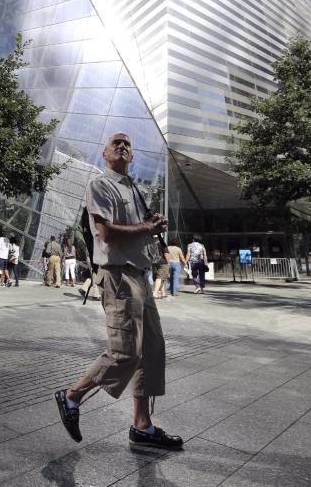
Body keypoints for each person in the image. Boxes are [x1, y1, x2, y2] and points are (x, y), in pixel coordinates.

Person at [54, 133, 182, 450]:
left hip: (139, 274)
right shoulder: (101, 185)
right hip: (118, 275)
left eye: (128, 144)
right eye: (116, 143)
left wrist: (154, 224)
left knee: (152, 349)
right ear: (105, 154)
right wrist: (146, 228)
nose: (123, 146)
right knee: (126, 352)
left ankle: (142, 426)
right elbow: (106, 233)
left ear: (133, 157)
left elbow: (142, 230)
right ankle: (71, 396)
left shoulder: (135, 190)